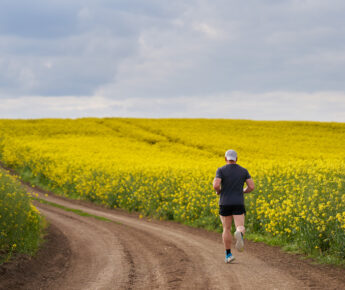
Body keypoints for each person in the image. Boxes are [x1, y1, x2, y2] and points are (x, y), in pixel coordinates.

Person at [213, 149, 255, 263]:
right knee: (240, 226)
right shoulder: (243, 171)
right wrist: (244, 191)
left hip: (225, 203)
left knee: (226, 229)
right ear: (236, 159)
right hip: (238, 202)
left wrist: (219, 191)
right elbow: (251, 186)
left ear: (226, 158)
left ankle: (228, 255)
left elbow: (216, 185)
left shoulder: (221, 170)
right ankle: (239, 232)